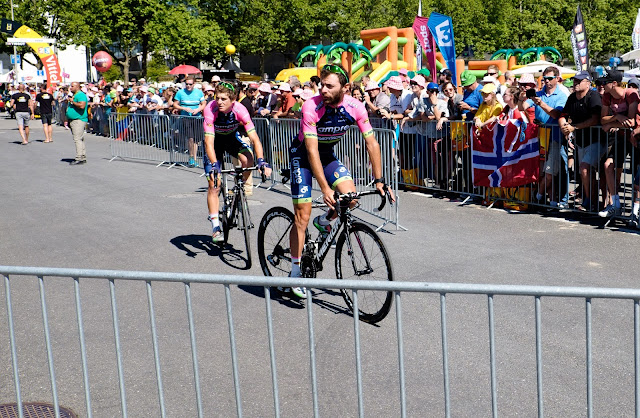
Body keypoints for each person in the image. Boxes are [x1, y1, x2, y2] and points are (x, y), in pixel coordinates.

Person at [288, 63, 395, 298]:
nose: (323, 90)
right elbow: (312, 151)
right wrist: (325, 189)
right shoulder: (311, 106)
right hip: (303, 156)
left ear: (345, 88)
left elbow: (372, 143)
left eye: (329, 86)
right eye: (322, 85)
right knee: (302, 214)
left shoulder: (355, 107)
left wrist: (380, 180)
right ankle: (295, 270)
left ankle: (325, 220)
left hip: (327, 156)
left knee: (351, 198)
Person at [202, 81, 272, 241]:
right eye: (217, 98)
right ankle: (215, 226)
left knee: (249, 159)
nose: (219, 102)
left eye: (223, 99)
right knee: (215, 183)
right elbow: (208, 143)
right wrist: (214, 165)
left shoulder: (240, 109)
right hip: (215, 143)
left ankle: (238, 189)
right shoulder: (210, 109)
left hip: (232, 139)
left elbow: (254, 138)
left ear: (232, 100)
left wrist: (261, 161)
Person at [557, 71, 602, 212]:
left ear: (588, 83)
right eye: (574, 80)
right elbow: (563, 115)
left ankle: (591, 202)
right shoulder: (571, 98)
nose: (575, 83)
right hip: (580, 141)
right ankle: (591, 202)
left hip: (597, 140)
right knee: (585, 173)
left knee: (584, 168)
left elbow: (595, 119)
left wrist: (574, 127)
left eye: (579, 81)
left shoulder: (593, 96)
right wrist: (564, 127)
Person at [597, 69, 639, 218]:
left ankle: (635, 211)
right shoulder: (607, 96)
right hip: (621, 138)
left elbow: (632, 122)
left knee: (636, 176)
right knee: (608, 165)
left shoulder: (630, 94)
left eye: (605, 82)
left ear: (614, 83)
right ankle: (615, 204)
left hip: (635, 137)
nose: (602, 85)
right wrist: (617, 116)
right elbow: (603, 120)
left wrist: (614, 123)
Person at [527, 66, 568, 208]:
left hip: (555, 138)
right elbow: (522, 106)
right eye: (545, 79)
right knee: (543, 170)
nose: (547, 81)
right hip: (539, 137)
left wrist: (541, 104)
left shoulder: (562, 95)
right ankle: (551, 201)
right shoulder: (539, 93)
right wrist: (521, 98)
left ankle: (540, 195)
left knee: (552, 171)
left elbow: (557, 114)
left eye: (550, 78)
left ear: (557, 79)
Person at [173, 77, 206, 167]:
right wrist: (184, 108)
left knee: (196, 139)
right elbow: (175, 104)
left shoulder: (199, 92)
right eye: (186, 84)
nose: (188, 86)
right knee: (190, 138)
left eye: (190, 84)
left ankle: (194, 158)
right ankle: (191, 157)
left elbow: (204, 103)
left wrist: (198, 109)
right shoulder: (180, 92)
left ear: (193, 84)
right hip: (186, 117)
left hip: (197, 117)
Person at [66, 81, 89, 165]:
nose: (70, 88)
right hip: (73, 119)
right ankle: (82, 156)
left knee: (77, 139)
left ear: (77, 87)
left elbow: (82, 105)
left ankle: (79, 157)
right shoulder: (75, 95)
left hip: (79, 119)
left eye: (72, 86)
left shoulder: (80, 95)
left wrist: (72, 101)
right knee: (80, 138)